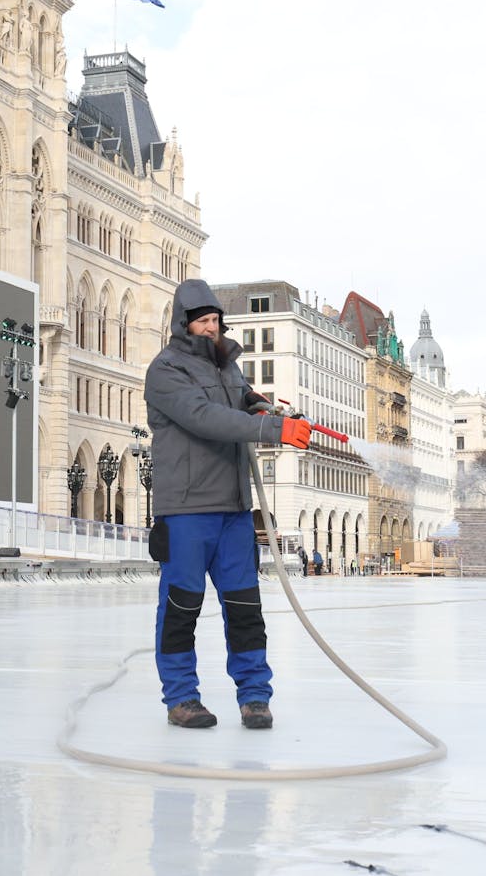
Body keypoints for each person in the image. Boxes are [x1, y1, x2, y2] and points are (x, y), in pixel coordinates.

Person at [145, 279, 312, 730]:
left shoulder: (228, 367)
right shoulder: (165, 371)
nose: (211, 328)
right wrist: (271, 432)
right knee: (182, 607)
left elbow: (239, 401)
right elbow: (204, 418)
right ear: (183, 325)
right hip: (185, 509)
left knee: (245, 607)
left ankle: (255, 695)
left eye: (215, 320)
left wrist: (263, 408)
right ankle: (181, 698)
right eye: (202, 321)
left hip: (234, 509)